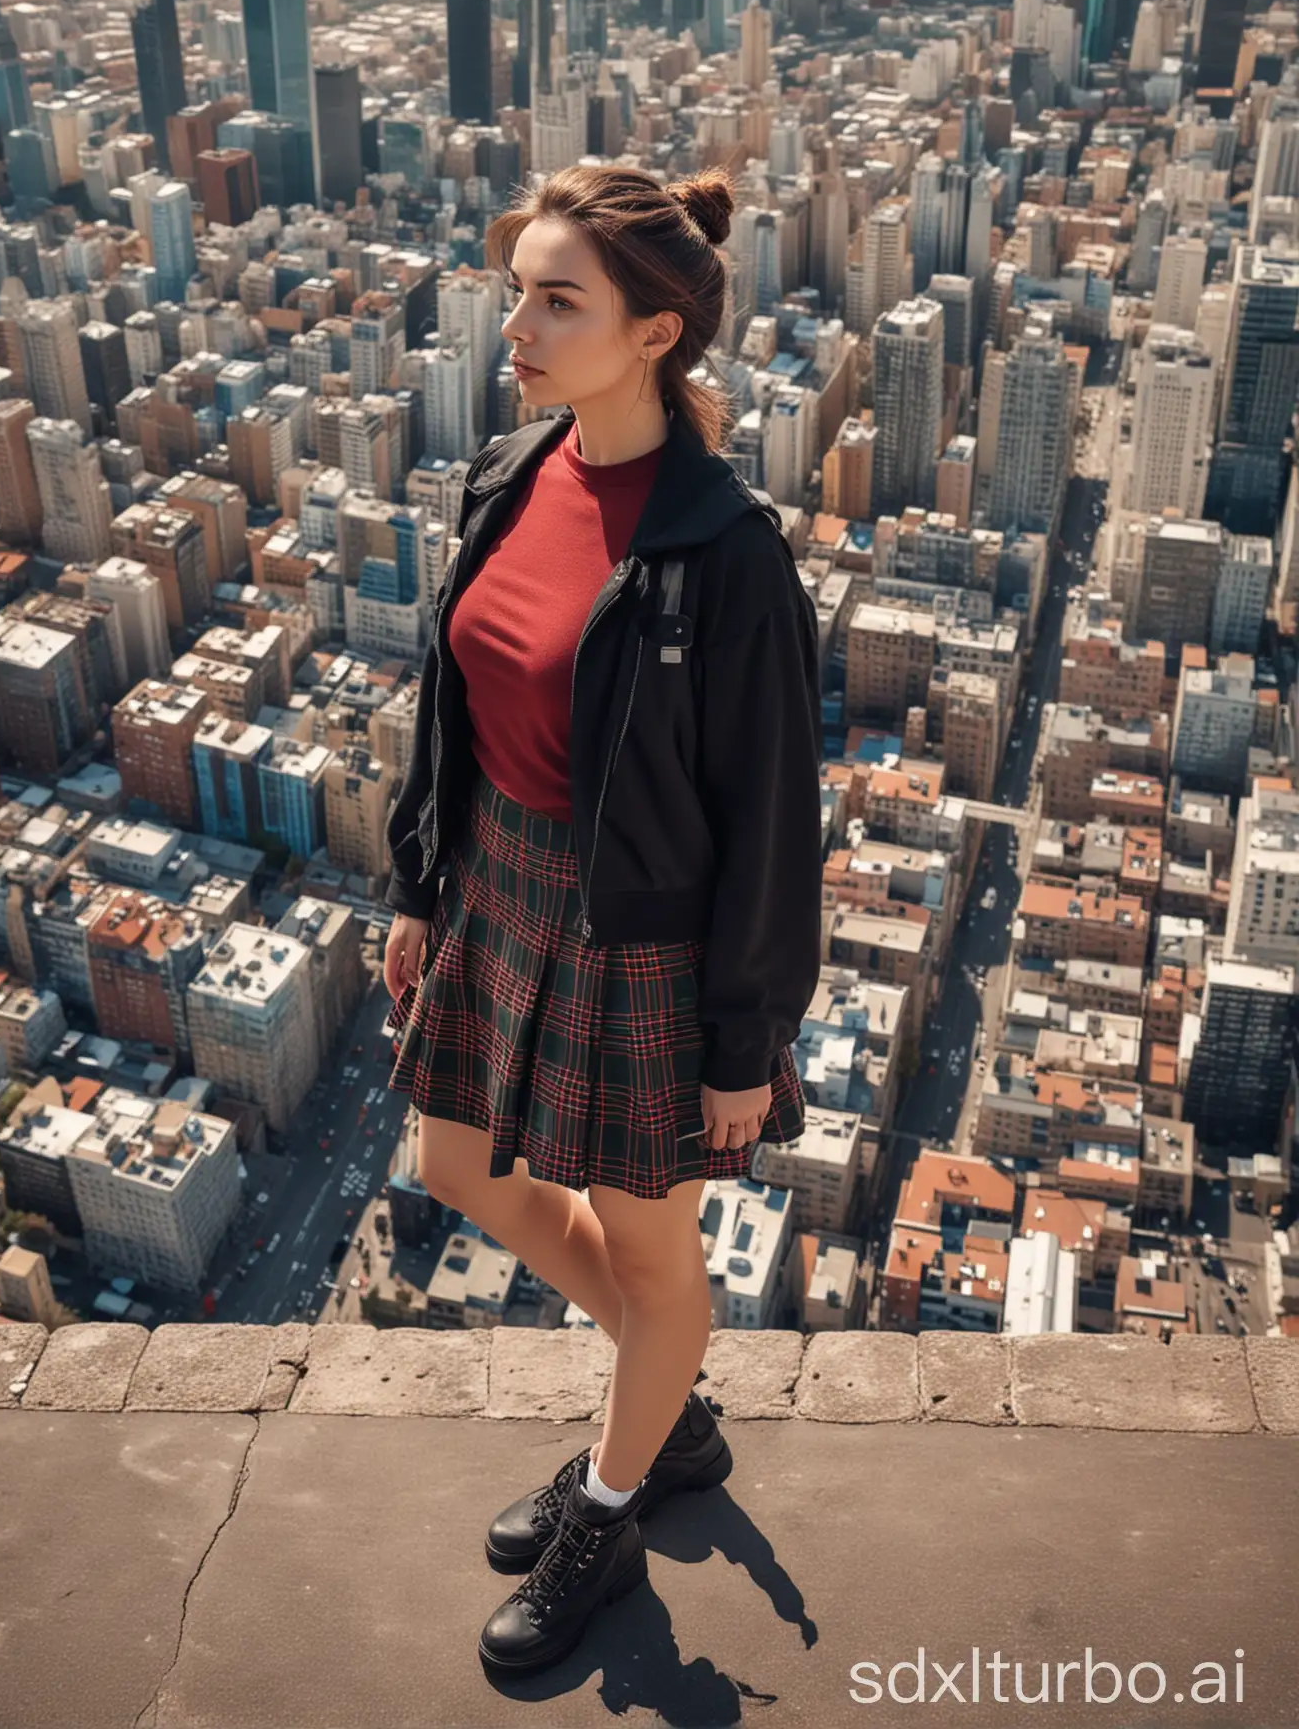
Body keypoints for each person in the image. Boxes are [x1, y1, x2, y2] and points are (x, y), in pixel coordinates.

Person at [381, 163, 824, 1679]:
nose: (519, 322)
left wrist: (741, 1042)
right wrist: (420, 886)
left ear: (655, 333)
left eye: (559, 298)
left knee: (654, 1259)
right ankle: (669, 1389)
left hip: (644, 936)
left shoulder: (727, 549)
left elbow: (773, 818)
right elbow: (454, 699)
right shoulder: (509, 472)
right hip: (501, 883)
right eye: (518, 290)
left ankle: (616, 1498)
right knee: (457, 1167)